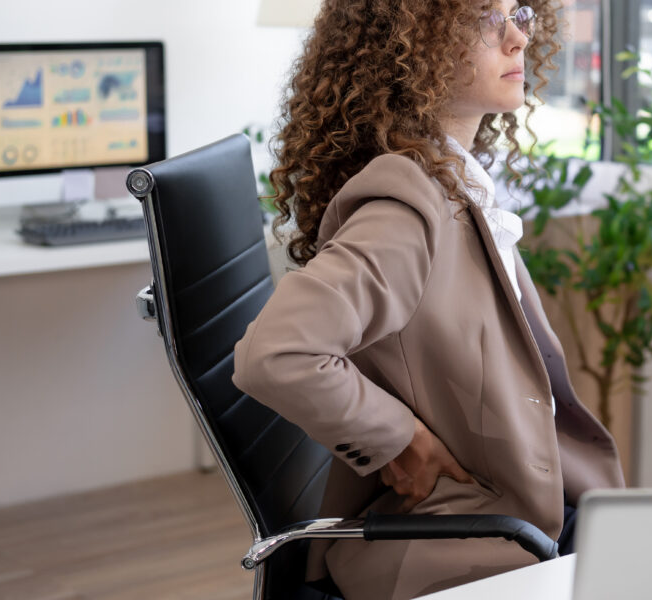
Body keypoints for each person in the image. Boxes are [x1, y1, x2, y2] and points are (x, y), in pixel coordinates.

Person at [232, 1, 624, 598]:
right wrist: (401, 439)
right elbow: (275, 352)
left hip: (527, 517)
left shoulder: (452, 183)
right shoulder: (405, 209)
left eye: (518, 12)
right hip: (470, 542)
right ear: (410, 46)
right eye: (484, 18)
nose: (518, 37)